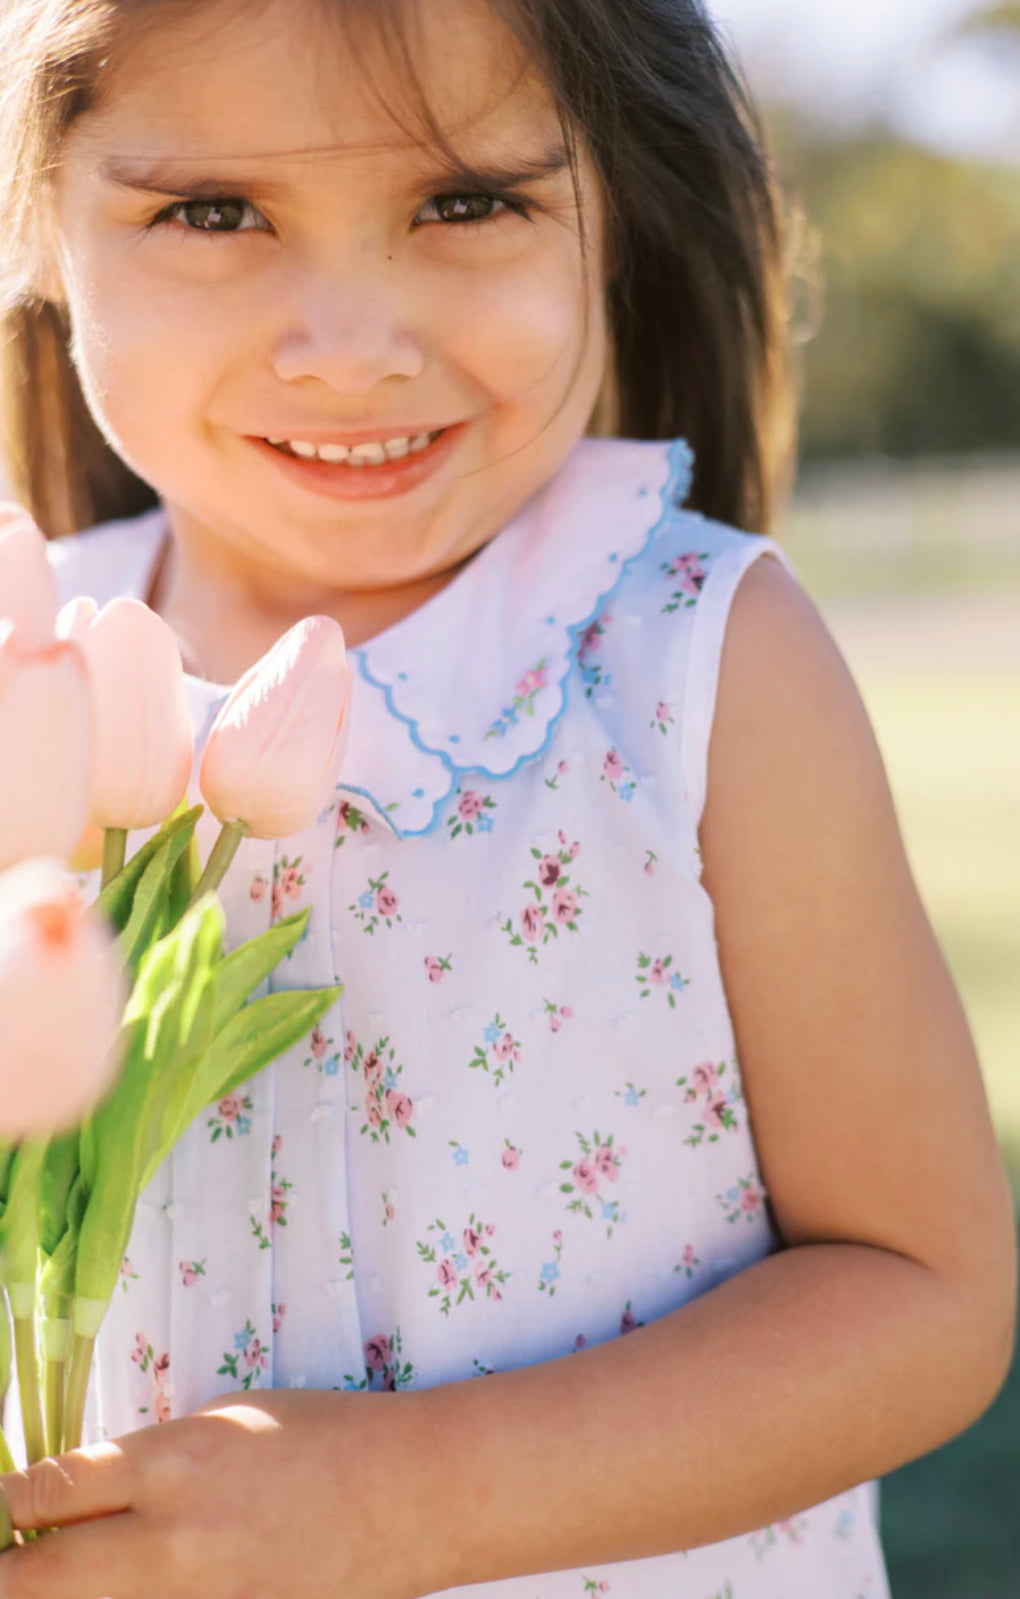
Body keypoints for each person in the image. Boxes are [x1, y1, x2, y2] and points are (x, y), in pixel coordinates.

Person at [0, 0, 1014, 1595]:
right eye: (212, 212)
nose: (351, 343)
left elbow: (923, 1291)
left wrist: (401, 1503)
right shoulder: (21, 679)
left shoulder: (697, 664)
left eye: (465, 203)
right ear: (40, 229)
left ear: (619, 215)